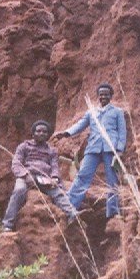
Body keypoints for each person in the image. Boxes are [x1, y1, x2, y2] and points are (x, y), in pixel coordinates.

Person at [56, 83, 127, 219]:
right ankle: (69, 207)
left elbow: (122, 132)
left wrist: (119, 150)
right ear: (98, 96)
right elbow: (80, 125)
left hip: (110, 149)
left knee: (112, 180)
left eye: (106, 94)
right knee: (83, 176)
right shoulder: (91, 112)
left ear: (111, 96)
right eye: (101, 94)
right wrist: (66, 133)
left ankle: (113, 212)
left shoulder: (117, 112)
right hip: (93, 148)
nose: (103, 97)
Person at [2, 120, 79, 233]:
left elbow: (54, 166)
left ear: (48, 135)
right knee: (19, 190)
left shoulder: (52, 151)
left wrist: (55, 178)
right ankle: (7, 224)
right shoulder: (24, 146)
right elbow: (16, 164)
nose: (41, 133)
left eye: (45, 132)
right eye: (38, 131)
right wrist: (25, 175)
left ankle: (72, 214)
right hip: (26, 176)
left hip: (44, 178)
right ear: (33, 133)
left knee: (58, 192)